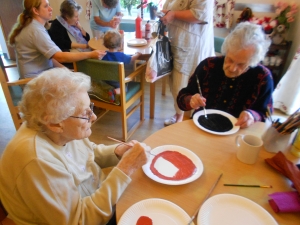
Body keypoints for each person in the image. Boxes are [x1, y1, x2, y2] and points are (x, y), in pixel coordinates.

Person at [0, 68, 149, 225]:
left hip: (97, 197)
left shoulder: (58, 130)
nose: (94, 116)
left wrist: (117, 152)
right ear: (55, 123)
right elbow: (79, 220)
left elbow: (88, 151)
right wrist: (124, 169)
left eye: (90, 107)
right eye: (86, 113)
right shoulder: (36, 160)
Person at [177, 22, 274, 129]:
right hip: (202, 127)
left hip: (238, 135)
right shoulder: (208, 66)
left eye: (241, 64)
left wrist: (252, 115)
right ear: (226, 50)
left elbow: (266, 115)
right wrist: (190, 100)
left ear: (252, 61)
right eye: (229, 59)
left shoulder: (263, 77)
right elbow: (182, 99)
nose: (232, 68)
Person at [8, 0, 106, 78]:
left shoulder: (35, 27)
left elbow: (51, 58)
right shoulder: (35, 30)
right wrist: (91, 54)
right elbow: (59, 57)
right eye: (46, 6)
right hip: (34, 80)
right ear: (35, 11)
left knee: (79, 80)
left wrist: (68, 72)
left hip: (42, 74)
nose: (51, 9)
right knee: (80, 86)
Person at [160, 0, 215, 126]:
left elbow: (200, 14)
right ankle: (179, 114)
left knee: (183, 84)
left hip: (191, 45)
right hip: (177, 43)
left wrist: (173, 14)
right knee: (175, 85)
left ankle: (184, 120)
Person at [102, 30, 141, 100]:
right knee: (124, 89)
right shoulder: (121, 55)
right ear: (120, 44)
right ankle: (113, 91)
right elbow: (132, 59)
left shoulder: (103, 55)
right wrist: (137, 54)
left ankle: (110, 90)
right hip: (116, 81)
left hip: (105, 80)